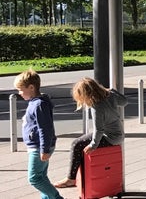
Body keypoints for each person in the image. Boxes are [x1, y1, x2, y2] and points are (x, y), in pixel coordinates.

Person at [53, 78, 128, 188]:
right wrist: (112, 90)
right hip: (118, 134)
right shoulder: (110, 95)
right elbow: (124, 101)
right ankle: (75, 176)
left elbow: (99, 129)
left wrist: (93, 145)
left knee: (76, 144)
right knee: (80, 143)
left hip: (109, 137)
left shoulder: (97, 106)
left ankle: (71, 179)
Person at [14, 69, 64, 199]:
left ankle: (56, 198)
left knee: (34, 178)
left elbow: (44, 128)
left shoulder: (39, 104)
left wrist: (44, 149)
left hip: (38, 147)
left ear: (31, 87)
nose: (19, 93)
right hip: (37, 146)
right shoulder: (36, 102)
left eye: (20, 89)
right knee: (41, 176)